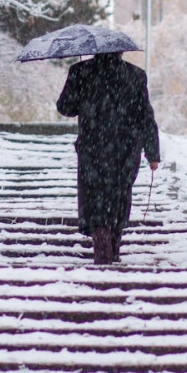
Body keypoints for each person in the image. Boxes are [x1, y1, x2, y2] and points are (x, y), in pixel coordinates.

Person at [56, 51, 160, 264]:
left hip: (93, 147)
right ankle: (113, 245)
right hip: (126, 148)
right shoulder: (135, 74)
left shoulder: (81, 71)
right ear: (121, 51)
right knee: (119, 196)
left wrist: (81, 86)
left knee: (95, 196)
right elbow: (145, 116)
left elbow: (66, 108)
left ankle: (102, 246)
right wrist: (152, 153)